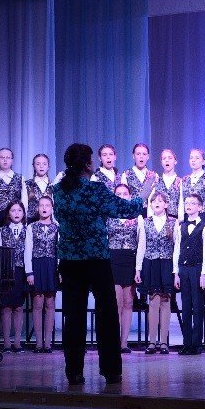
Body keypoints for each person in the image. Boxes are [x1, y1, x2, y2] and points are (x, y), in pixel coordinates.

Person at [51, 143, 145, 386]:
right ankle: (111, 370)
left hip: (70, 260)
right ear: (87, 164)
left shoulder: (58, 191)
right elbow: (125, 209)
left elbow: (60, 217)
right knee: (107, 314)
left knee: (73, 316)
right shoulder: (95, 189)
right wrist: (143, 196)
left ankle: (74, 371)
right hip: (96, 259)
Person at [135, 191, 177, 355]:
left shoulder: (173, 222)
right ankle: (152, 341)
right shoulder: (145, 222)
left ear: (166, 204)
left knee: (165, 301)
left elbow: (176, 247)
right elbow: (141, 246)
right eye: (154, 201)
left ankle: (164, 342)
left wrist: (176, 271)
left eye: (160, 200)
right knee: (153, 302)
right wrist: (138, 268)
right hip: (151, 263)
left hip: (166, 264)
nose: (157, 203)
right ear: (150, 204)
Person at [173, 193, 205, 355]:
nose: (189, 205)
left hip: (197, 268)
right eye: (187, 203)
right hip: (184, 269)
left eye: (193, 203)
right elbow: (177, 249)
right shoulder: (181, 226)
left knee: (197, 307)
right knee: (186, 307)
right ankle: (187, 343)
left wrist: (204, 273)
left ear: (200, 207)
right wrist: (176, 272)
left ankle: (196, 344)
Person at [108, 184, 144, 354]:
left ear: (130, 196)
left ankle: (124, 343)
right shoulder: (108, 216)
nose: (122, 196)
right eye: (118, 194)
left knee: (128, 302)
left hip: (130, 260)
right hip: (113, 260)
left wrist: (138, 268)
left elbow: (141, 244)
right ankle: (114, 341)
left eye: (125, 194)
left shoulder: (137, 217)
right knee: (116, 302)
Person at [24, 196, 58, 354]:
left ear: (52, 208)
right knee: (37, 304)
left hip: (51, 266)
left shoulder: (57, 227)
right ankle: (38, 343)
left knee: (50, 304)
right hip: (37, 266)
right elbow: (28, 250)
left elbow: (59, 250)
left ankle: (48, 343)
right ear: (37, 208)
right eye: (41, 205)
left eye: (47, 205)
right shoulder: (31, 227)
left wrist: (60, 269)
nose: (44, 208)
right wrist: (29, 272)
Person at [0, 201, 27, 353]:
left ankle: (17, 342)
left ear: (23, 213)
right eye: (13, 210)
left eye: (19, 210)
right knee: (6, 306)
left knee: (19, 306)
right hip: (6, 271)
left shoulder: (28, 230)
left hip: (21, 270)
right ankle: (6, 342)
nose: (16, 213)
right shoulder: (2, 230)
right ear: (8, 213)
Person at [179, 148, 205, 228]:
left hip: (203, 218)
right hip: (187, 218)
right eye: (191, 158)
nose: (193, 160)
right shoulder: (184, 180)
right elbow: (181, 201)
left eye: (197, 158)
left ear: (203, 161)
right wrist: (180, 219)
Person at [121, 143, 157, 217]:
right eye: (138, 154)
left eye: (144, 154)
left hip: (149, 214)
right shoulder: (126, 175)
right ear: (133, 156)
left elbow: (154, 198)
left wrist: (151, 217)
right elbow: (124, 198)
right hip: (132, 214)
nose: (141, 157)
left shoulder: (153, 176)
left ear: (148, 156)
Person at [150, 148, 181, 219]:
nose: (167, 160)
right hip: (158, 219)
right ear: (161, 162)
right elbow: (151, 201)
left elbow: (181, 203)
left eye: (170, 158)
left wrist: (180, 220)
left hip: (175, 219)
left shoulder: (180, 182)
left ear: (175, 161)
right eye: (164, 158)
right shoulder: (156, 181)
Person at [25, 154, 53, 223]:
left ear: (48, 167)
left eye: (44, 164)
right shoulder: (27, 184)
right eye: (38, 164)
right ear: (34, 166)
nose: (41, 166)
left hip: (49, 222)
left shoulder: (53, 185)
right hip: (31, 221)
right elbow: (24, 205)